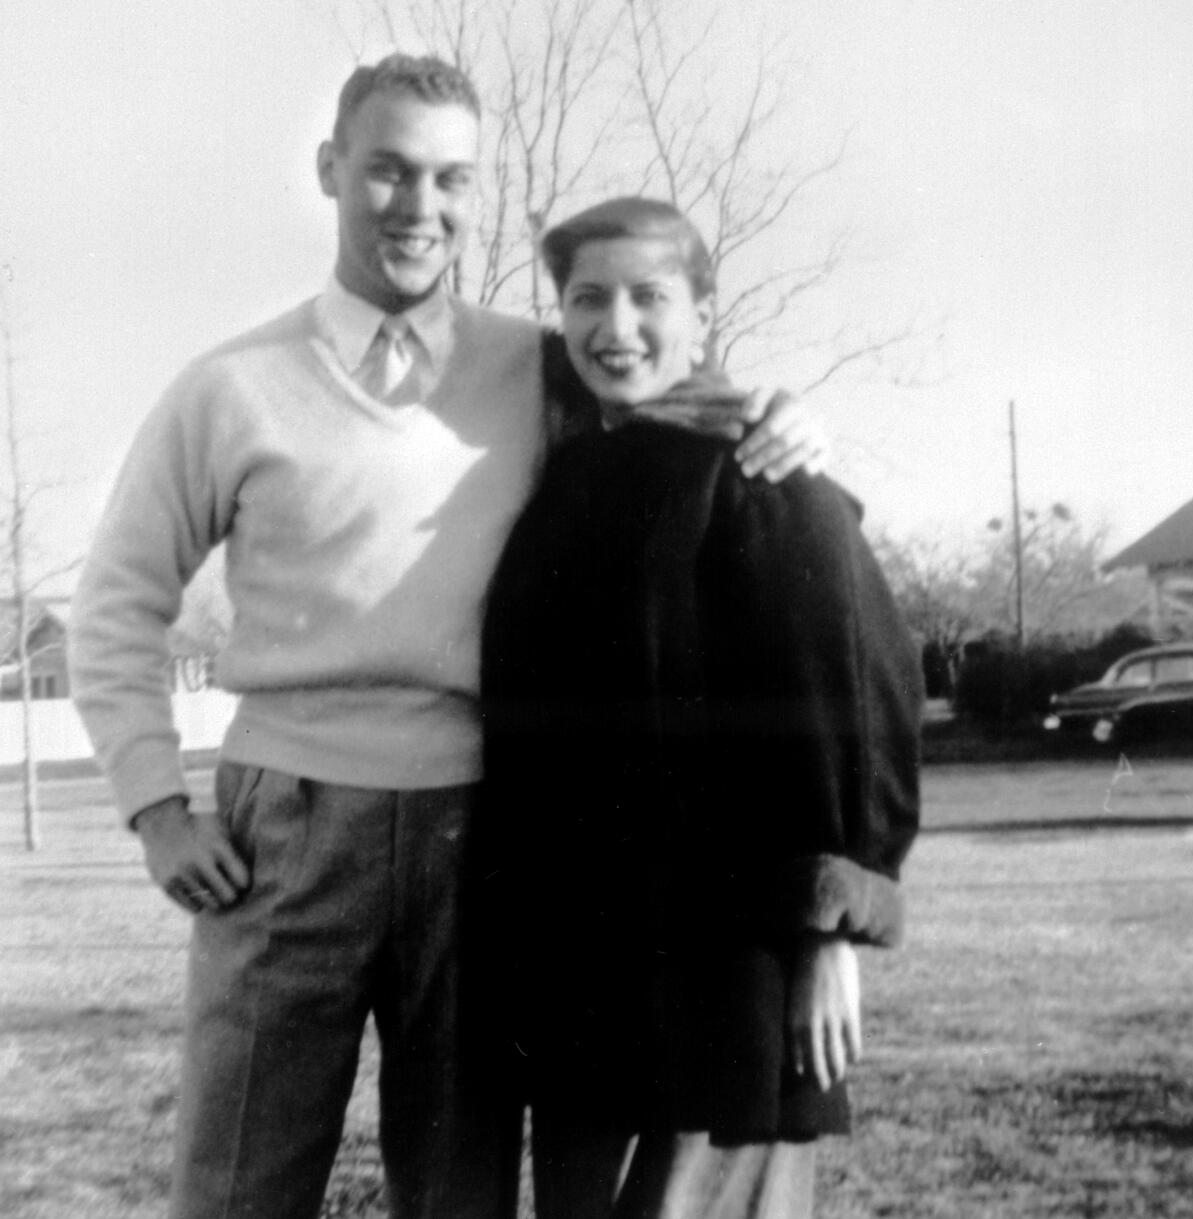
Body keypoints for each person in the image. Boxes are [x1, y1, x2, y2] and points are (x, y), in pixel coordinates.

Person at [67, 57, 825, 1219]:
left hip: (485, 831)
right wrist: (156, 807)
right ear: (330, 171)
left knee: (457, 1188)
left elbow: (681, 402)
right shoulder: (231, 387)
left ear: (479, 193)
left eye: (450, 179)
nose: (420, 207)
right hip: (288, 825)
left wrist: (781, 414)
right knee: (237, 1183)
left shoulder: (543, 363)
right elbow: (117, 602)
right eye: (388, 171)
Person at [478, 196, 922, 1219]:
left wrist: (827, 934)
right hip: (582, 958)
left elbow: (851, 703)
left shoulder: (763, 474)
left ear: (705, 315)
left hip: (731, 964)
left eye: (649, 296)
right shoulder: (567, 474)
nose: (616, 326)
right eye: (588, 297)